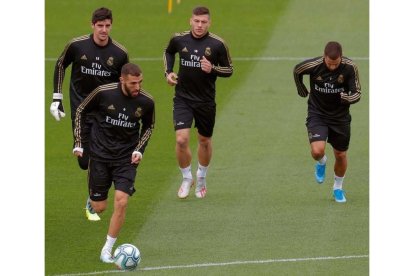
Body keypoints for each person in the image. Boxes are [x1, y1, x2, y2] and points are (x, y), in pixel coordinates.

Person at [49, 7, 129, 220]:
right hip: (80, 111)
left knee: (102, 153)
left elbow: (126, 84)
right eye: (100, 25)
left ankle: (96, 193)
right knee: (84, 161)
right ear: (92, 25)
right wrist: (57, 98)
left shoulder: (120, 54)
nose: (104, 30)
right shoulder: (77, 46)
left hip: (106, 114)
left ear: (111, 25)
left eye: (107, 26)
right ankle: (98, 185)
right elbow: (60, 65)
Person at [73, 63, 155, 263]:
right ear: (122, 80)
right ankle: (92, 199)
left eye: (140, 82)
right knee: (99, 207)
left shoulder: (146, 101)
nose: (138, 87)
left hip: (125, 158)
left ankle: (107, 249)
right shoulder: (103, 93)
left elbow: (149, 125)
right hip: (100, 155)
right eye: (133, 83)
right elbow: (81, 110)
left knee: (122, 200)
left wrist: (139, 149)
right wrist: (79, 141)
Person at [163, 6, 233, 199]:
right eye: (196, 21)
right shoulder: (179, 39)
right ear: (190, 21)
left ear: (209, 23)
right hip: (183, 98)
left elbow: (229, 70)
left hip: (205, 101)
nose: (199, 25)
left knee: (204, 141)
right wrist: (168, 72)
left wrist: (213, 69)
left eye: (203, 22)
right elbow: (168, 52)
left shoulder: (218, 44)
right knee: (181, 139)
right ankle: (187, 178)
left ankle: (201, 177)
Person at [293, 41, 361, 203]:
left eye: (335, 64)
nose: (332, 67)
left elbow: (357, 93)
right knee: (317, 151)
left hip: (340, 118)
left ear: (341, 58)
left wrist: (346, 98)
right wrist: (301, 88)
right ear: (324, 57)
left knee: (341, 154)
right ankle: (322, 161)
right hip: (318, 114)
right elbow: (297, 70)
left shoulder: (350, 67)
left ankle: (338, 187)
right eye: (329, 64)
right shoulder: (313, 65)